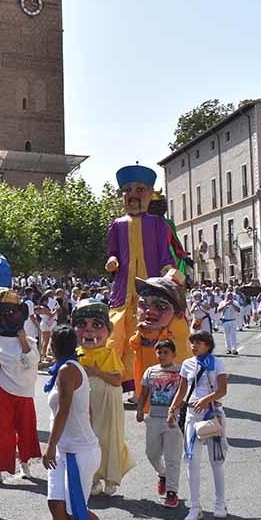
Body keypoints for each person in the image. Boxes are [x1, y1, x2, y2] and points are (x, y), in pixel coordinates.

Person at [105, 164, 181, 400]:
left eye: (140, 189)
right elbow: (112, 252)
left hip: (152, 292)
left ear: (149, 193)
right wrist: (112, 261)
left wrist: (170, 272)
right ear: (121, 195)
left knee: (156, 336)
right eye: (127, 190)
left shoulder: (158, 224)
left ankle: (155, 384)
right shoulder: (116, 225)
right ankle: (115, 383)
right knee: (117, 338)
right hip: (123, 294)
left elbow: (166, 257)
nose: (133, 194)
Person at [43, 325, 117, 520]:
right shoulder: (64, 369)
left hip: (78, 452)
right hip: (63, 451)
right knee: (56, 505)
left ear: (54, 345)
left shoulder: (68, 370)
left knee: (75, 508)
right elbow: (86, 410)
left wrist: (50, 446)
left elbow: (64, 410)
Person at [73, 299, 134, 496]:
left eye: (96, 325)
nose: (89, 331)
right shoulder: (75, 355)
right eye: (83, 325)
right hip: (86, 407)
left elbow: (117, 380)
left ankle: (110, 477)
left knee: (108, 440)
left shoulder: (109, 353)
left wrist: (97, 372)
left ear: (107, 330)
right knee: (89, 441)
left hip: (107, 406)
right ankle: (92, 478)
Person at [0, 287, 43, 483]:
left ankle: (25, 463)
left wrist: (23, 339)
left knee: (26, 429)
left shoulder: (29, 341)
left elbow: (30, 361)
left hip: (23, 392)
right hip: (1, 389)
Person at [168, 331, 229, 520]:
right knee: (192, 460)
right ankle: (195, 507)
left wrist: (206, 400)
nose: (194, 346)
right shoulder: (187, 364)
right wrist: (172, 409)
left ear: (208, 345)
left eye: (199, 343)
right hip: (193, 416)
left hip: (212, 414)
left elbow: (222, 390)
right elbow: (182, 389)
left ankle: (220, 503)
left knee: (216, 460)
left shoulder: (218, 363)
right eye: (192, 343)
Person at [135, 339, 183, 508]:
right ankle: (162, 474)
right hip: (154, 417)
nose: (162, 356)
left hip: (173, 420)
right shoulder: (150, 371)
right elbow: (144, 393)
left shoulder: (180, 372)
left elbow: (185, 393)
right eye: (159, 352)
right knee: (151, 453)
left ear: (173, 355)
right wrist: (140, 409)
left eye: (165, 352)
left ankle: (172, 492)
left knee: (172, 457)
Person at [217, 290, 242, 355]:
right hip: (225, 320)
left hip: (233, 320)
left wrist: (232, 304)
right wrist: (226, 305)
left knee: (233, 335)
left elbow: (238, 310)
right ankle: (228, 349)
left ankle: (234, 349)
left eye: (231, 296)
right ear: (226, 296)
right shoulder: (222, 302)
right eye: (228, 296)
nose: (229, 297)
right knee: (227, 336)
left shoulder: (235, 302)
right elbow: (219, 310)